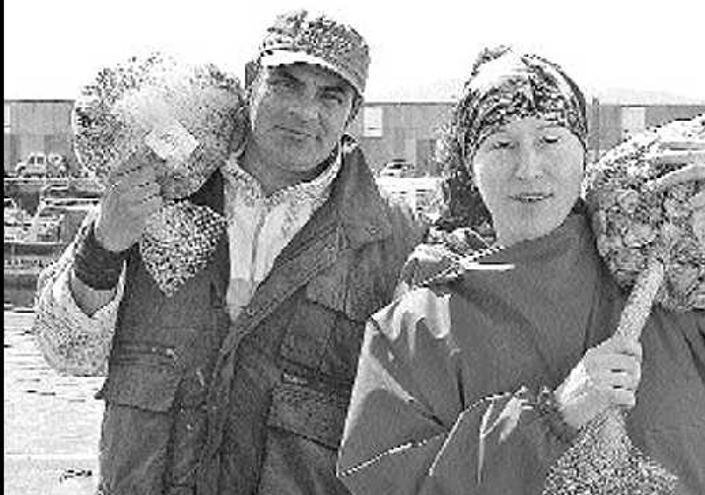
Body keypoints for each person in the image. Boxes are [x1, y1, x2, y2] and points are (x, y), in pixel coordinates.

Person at [336, 47, 705, 495]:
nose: (529, 167)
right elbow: (383, 482)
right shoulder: (416, 328)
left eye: (550, 139)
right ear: (468, 165)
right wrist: (551, 420)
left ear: (584, 153)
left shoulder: (666, 285)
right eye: (501, 145)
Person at [33, 10, 425, 495]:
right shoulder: (159, 192)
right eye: (285, 83)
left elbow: (412, 433)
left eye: (330, 95)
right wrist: (104, 245)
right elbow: (66, 353)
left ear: (353, 113)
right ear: (250, 80)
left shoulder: (394, 241)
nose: (305, 112)